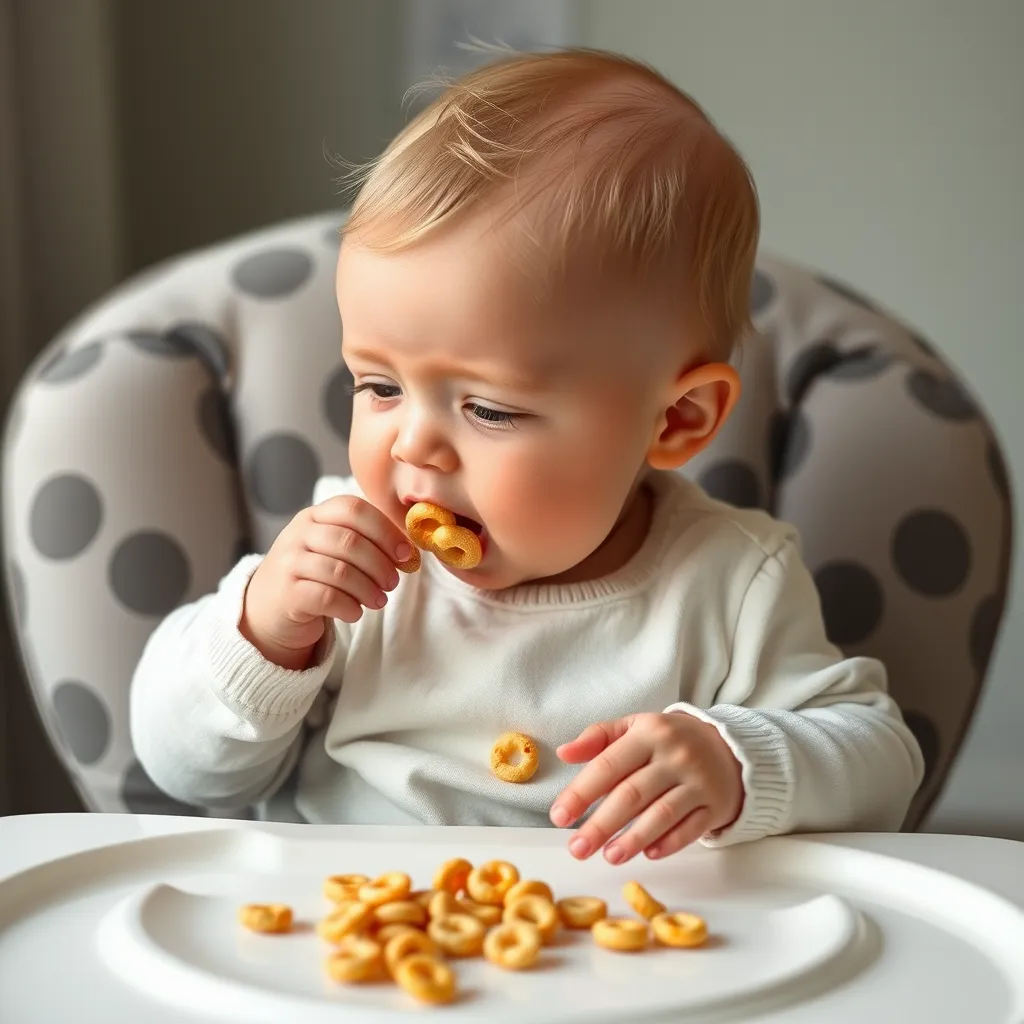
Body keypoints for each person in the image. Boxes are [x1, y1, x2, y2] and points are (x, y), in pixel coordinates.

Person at [130, 47, 923, 866]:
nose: (414, 445)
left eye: (488, 408)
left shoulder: (731, 582)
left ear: (678, 418)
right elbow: (188, 776)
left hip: (615, 969)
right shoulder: (348, 570)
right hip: (348, 951)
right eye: (378, 386)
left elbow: (884, 769)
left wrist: (735, 762)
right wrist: (264, 634)